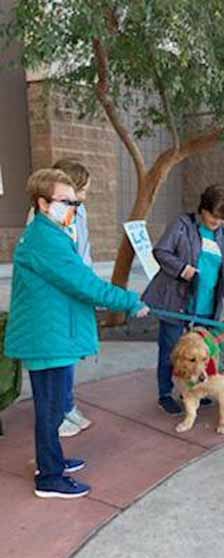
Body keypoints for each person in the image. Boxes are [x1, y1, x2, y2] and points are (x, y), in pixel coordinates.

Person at [5, 169, 149, 499]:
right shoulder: (45, 240)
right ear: (43, 203)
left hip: (52, 335)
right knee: (51, 410)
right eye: (65, 201)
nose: (73, 208)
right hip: (47, 339)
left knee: (54, 408)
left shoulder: (51, 234)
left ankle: (51, 462)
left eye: (75, 202)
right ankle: (49, 478)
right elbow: (84, 284)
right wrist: (129, 301)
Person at [142, 184, 224, 415]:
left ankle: (194, 391)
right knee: (172, 352)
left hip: (207, 307)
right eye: (213, 215)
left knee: (202, 355)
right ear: (203, 209)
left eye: (222, 218)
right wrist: (182, 269)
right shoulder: (182, 225)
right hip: (176, 303)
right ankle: (165, 394)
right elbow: (161, 251)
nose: (217, 221)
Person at [27, 159, 94, 438]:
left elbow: (83, 251)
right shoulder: (41, 219)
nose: (86, 196)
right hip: (53, 300)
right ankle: (56, 415)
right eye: (83, 189)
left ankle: (67, 405)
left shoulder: (79, 212)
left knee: (69, 356)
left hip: (74, 291)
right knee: (54, 361)